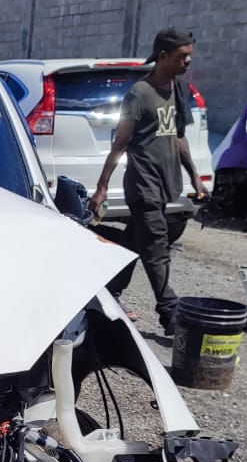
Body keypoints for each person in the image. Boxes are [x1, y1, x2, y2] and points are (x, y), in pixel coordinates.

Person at [87, 27, 207, 335]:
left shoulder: (178, 88)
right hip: (142, 184)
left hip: (166, 183)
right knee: (156, 246)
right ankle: (170, 314)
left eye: (190, 55)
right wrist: (101, 188)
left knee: (135, 241)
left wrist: (194, 175)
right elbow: (121, 143)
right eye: (182, 56)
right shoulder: (139, 94)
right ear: (163, 56)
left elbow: (178, 135)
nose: (188, 61)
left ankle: (108, 289)